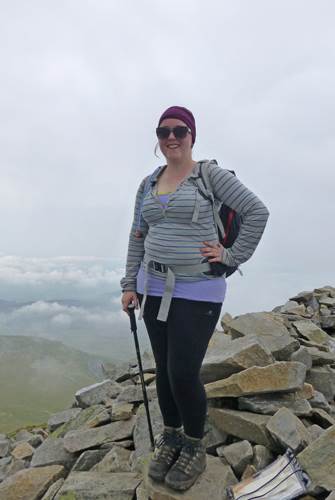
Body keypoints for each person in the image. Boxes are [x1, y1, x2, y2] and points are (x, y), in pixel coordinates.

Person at [121, 105, 270, 491]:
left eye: (179, 130)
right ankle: (170, 439)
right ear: (157, 138)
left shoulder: (209, 175)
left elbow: (257, 211)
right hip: (153, 288)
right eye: (163, 131)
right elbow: (138, 235)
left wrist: (231, 256)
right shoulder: (148, 183)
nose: (171, 137)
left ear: (192, 136)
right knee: (165, 372)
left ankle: (193, 445)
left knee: (183, 372)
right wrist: (128, 284)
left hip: (198, 289)